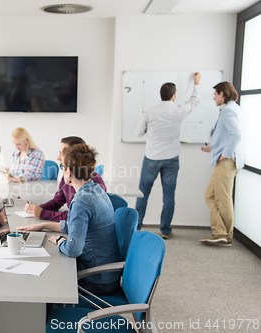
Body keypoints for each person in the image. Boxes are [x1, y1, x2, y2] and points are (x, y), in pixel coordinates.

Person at [18, 144, 120, 295]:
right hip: (109, 275)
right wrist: (44, 226)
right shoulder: (96, 189)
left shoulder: (81, 201)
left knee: (48, 270)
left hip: (97, 280)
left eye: (62, 167)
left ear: (69, 172)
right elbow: (77, 226)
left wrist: (59, 241)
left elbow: (73, 248)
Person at [135, 72, 202, 239]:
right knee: (169, 196)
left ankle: (136, 227)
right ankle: (165, 230)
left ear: (161, 95)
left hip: (151, 158)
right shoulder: (179, 110)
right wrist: (197, 83)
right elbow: (195, 100)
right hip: (171, 159)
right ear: (174, 96)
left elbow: (138, 133)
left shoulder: (149, 112)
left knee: (143, 193)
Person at [200, 82, 245, 246]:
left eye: (215, 94)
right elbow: (227, 135)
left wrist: (224, 154)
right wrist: (213, 148)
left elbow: (236, 134)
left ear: (222, 94)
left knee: (223, 198)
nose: (213, 98)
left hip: (226, 162)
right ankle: (220, 232)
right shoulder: (234, 109)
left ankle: (226, 236)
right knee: (210, 195)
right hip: (227, 160)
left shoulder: (227, 112)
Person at [24, 136, 106, 221]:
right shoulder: (67, 177)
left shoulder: (94, 184)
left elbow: (76, 215)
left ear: (75, 156)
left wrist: (43, 213)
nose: (58, 158)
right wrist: (36, 209)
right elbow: (57, 202)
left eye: (62, 153)